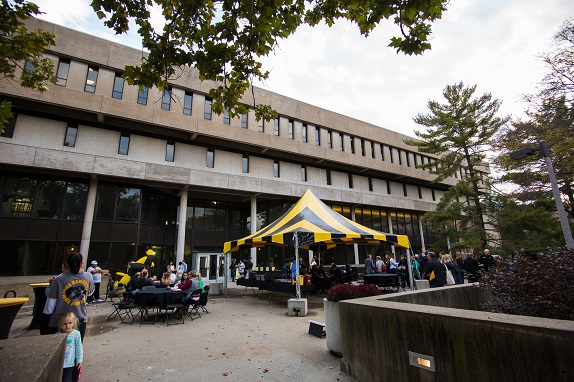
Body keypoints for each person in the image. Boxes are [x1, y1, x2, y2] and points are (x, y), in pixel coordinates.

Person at [43, 252, 94, 340]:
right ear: (82, 264)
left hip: (59, 321)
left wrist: (43, 322)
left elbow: (50, 305)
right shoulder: (88, 276)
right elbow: (90, 292)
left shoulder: (59, 280)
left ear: (67, 264)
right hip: (80, 318)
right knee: (76, 347)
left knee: (59, 350)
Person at [59, 312, 83, 382]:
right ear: (60, 325)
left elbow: (79, 347)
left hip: (69, 363)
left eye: (70, 323)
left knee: (67, 379)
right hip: (60, 364)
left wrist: (79, 360)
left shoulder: (76, 334)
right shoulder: (58, 335)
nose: (67, 326)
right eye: (64, 324)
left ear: (74, 322)